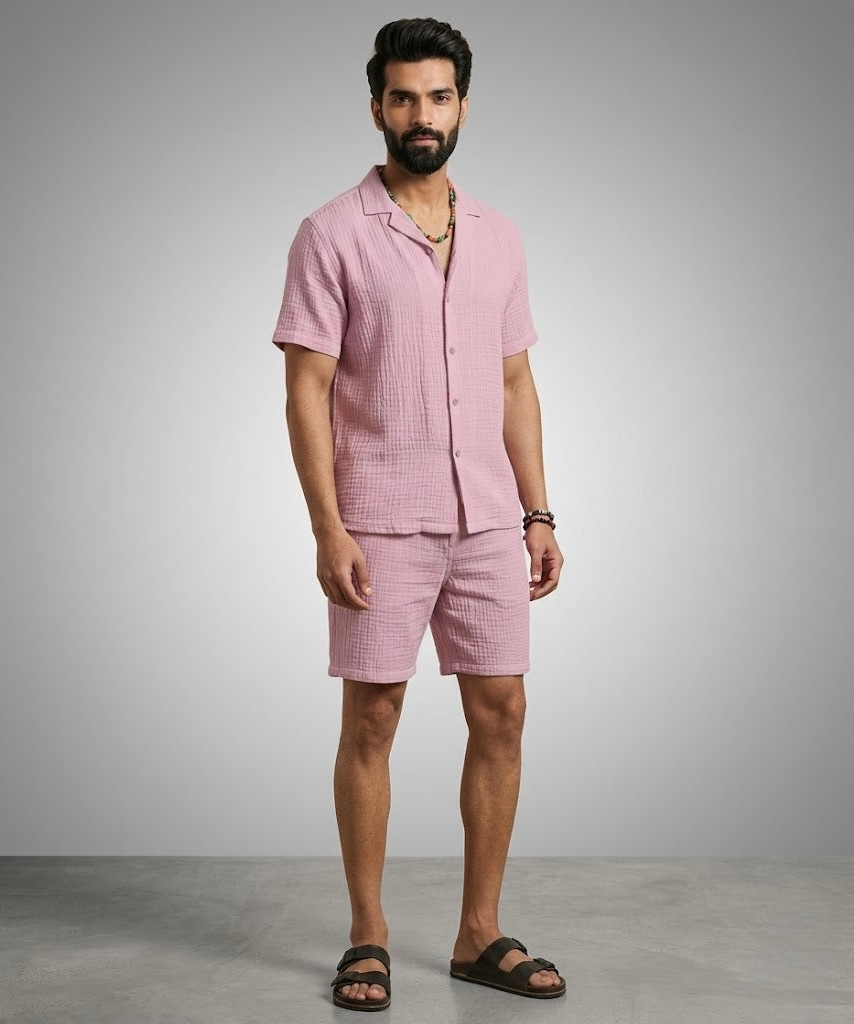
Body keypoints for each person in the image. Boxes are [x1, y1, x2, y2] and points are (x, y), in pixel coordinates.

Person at [271, 17, 565, 1011]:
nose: (422, 114)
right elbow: (306, 389)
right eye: (403, 97)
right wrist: (328, 526)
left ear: (463, 106)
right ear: (377, 109)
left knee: (503, 711)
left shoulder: (500, 236)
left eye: (438, 96)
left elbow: (516, 381)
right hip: (379, 521)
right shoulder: (331, 234)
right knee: (374, 715)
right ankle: (368, 934)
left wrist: (537, 510)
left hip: (486, 518)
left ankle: (479, 934)